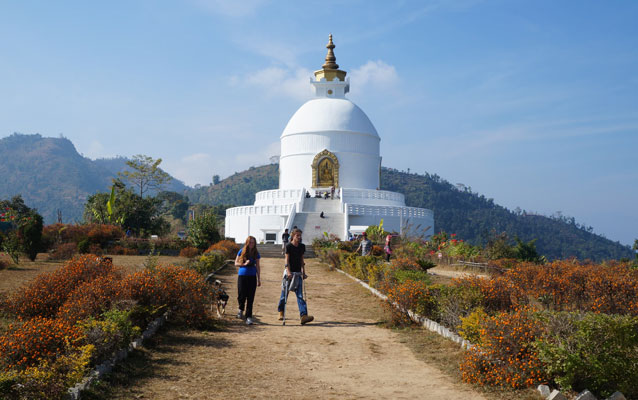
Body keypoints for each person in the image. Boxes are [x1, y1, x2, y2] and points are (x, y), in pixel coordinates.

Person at [277, 229, 314, 324]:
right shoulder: (288, 246)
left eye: (300, 235)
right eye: (297, 235)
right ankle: (281, 311)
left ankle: (303, 316)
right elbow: (287, 260)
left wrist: (304, 272)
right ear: (293, 236)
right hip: (289, 273)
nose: (299, 237)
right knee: (284, 294)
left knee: (300, 295)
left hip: (298, 274)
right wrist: (288, 271)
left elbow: (302, 260)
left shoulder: (302, 246)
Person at [234, 236, 261, 325]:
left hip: (252, 276)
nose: (251, 244)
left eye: (253, 242)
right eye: (250, 242)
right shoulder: (241, 251)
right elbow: (236, 263)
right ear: (247, 243)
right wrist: (244, 264)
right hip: (242, 275)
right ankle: (241, 309)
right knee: (241, 295)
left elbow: (257, 266)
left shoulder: (256, 253)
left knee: (250, 297)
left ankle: (248, 317)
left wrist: (259, 279)